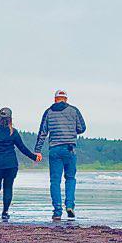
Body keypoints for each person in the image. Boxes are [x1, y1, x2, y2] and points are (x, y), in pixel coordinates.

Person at [0, 108, 41, 221]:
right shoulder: (13, 132)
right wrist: (34, 157)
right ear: (10, 119)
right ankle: (5, 212)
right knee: (8, 187)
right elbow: (22, 148)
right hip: (11, 164)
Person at [34, 89, 86, 221]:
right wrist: (70, 129)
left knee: (55, 181)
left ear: (55, 99)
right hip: (69, 149)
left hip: (55, 149)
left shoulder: (48, 112)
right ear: (66, 99)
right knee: (70, 178)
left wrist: (37, 150)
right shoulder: (74, 110)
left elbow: (42, 132)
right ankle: (70, 205)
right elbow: (82, 128)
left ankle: (57, 211)